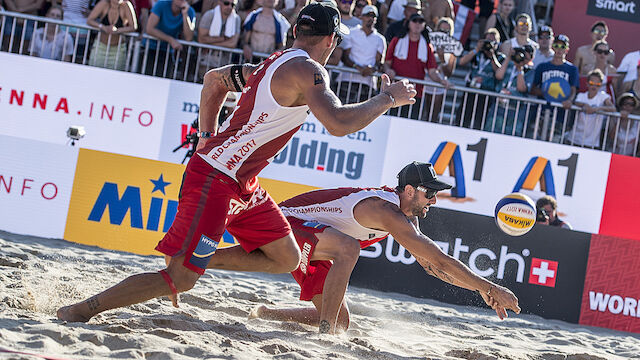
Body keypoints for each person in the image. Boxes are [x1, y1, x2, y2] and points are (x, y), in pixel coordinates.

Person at [56, 1, 417, 324]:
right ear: (330, 41)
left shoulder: (271, 63)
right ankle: (80, 310)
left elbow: (213, 81)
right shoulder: (309, 71)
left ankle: (200, 258)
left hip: (239, 183)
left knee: (288, 257)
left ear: (295, 31)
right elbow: (338, 124)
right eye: (336, 41)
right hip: (215, 179)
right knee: (181, 279)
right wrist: (387, 97)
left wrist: (206, 136)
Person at [246, 162, 521, 334]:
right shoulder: (386, 210)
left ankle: (266, 313)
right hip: (284, 226)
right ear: (410, 190)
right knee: (348, 251)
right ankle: (325, 337)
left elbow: (432, 266)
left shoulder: (407, 218)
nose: (435, 201)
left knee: (342, 321)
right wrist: (491, 288)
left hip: (320, 240)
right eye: (431, 193)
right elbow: (440, 259)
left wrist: (481, 290)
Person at [384, 12, 447, 120]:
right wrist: (388, 70)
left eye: (421, 21)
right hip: (395, 92)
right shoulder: (396, 41)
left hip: (414, 94)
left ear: (424, 26)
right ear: (409, 23)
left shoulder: (427, 46)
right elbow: (386, 63)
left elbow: (432, 71)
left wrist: (441, 81)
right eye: (415, 21)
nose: (417, 24)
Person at [530, 34, 579, 140]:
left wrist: (569, 101)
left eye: (562, 47)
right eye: (557, 45)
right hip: (541, 112)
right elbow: (532, 89)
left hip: (559, 115)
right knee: (534, 140)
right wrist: (547, 92)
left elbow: (573, 89)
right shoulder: (542, 67)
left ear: (567, 49)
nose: (559, 49)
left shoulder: (572, 69)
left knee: (555, 142)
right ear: (553, 47)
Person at [337, 4, 386, 103]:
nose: (371, 18)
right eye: (368, 15)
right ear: (361, 16)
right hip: (347, 80)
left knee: (364, 117)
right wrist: (358, 68)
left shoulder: (380, 39)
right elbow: (345, 57)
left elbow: (379, 62)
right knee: (343, 113)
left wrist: (371, 69)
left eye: (373, 16)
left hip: (368, 84)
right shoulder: (351, 33)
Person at [485, 43, 535, 136]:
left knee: (511, 136)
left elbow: (522, 88)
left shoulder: (530, 71)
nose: (521, 59)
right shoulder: (509, 65)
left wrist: (520, 68)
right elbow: (498, 76)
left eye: (525, 58)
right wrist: (509, 57)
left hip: (515, 111)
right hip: (499, 108)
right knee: (491, 133)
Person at [142, 0, 196, 76]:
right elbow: (149, 29)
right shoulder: (161, 4)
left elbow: (189, 37)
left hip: (167, 52)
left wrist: (185, 15)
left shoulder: (190, 11)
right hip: (149, 48)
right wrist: (170, 40)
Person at [564, 69, 615, 149]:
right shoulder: (582, 95)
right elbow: (577, 102)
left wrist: (596, 109)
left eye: (597, 84)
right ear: (587, 84)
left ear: (601, 85)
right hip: (574, 138)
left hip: (591, 142)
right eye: (591, 83)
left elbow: (613, 108)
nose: (594, 86)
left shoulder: (602, 96)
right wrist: (585, 105)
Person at [87, 0, 137, 70]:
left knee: (116, 77)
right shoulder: (103, 4)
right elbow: (89, 20)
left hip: (118, 50)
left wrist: (117, 30)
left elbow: (133, 27)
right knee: (94, 72)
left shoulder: (126, 5)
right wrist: (103, 27)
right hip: (100, 47)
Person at [197, 0, 242, 78]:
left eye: (233, 5)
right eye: (226, 3)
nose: (229, 7)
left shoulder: (236, 19)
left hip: (224, 64)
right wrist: (224, 38)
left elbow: (232, 44)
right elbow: (201, 39)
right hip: (206, 61)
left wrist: (210, 44)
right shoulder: (209, 15)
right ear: (219, 2)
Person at [607, 92, 640, 156]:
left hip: (630, 157)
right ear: (621, 105)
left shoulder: (637, 122)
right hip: (613, 155)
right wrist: (620, 120)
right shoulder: (614, 117)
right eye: (625, 103)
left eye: (631, 104)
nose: (628, 106)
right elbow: (611, 136)